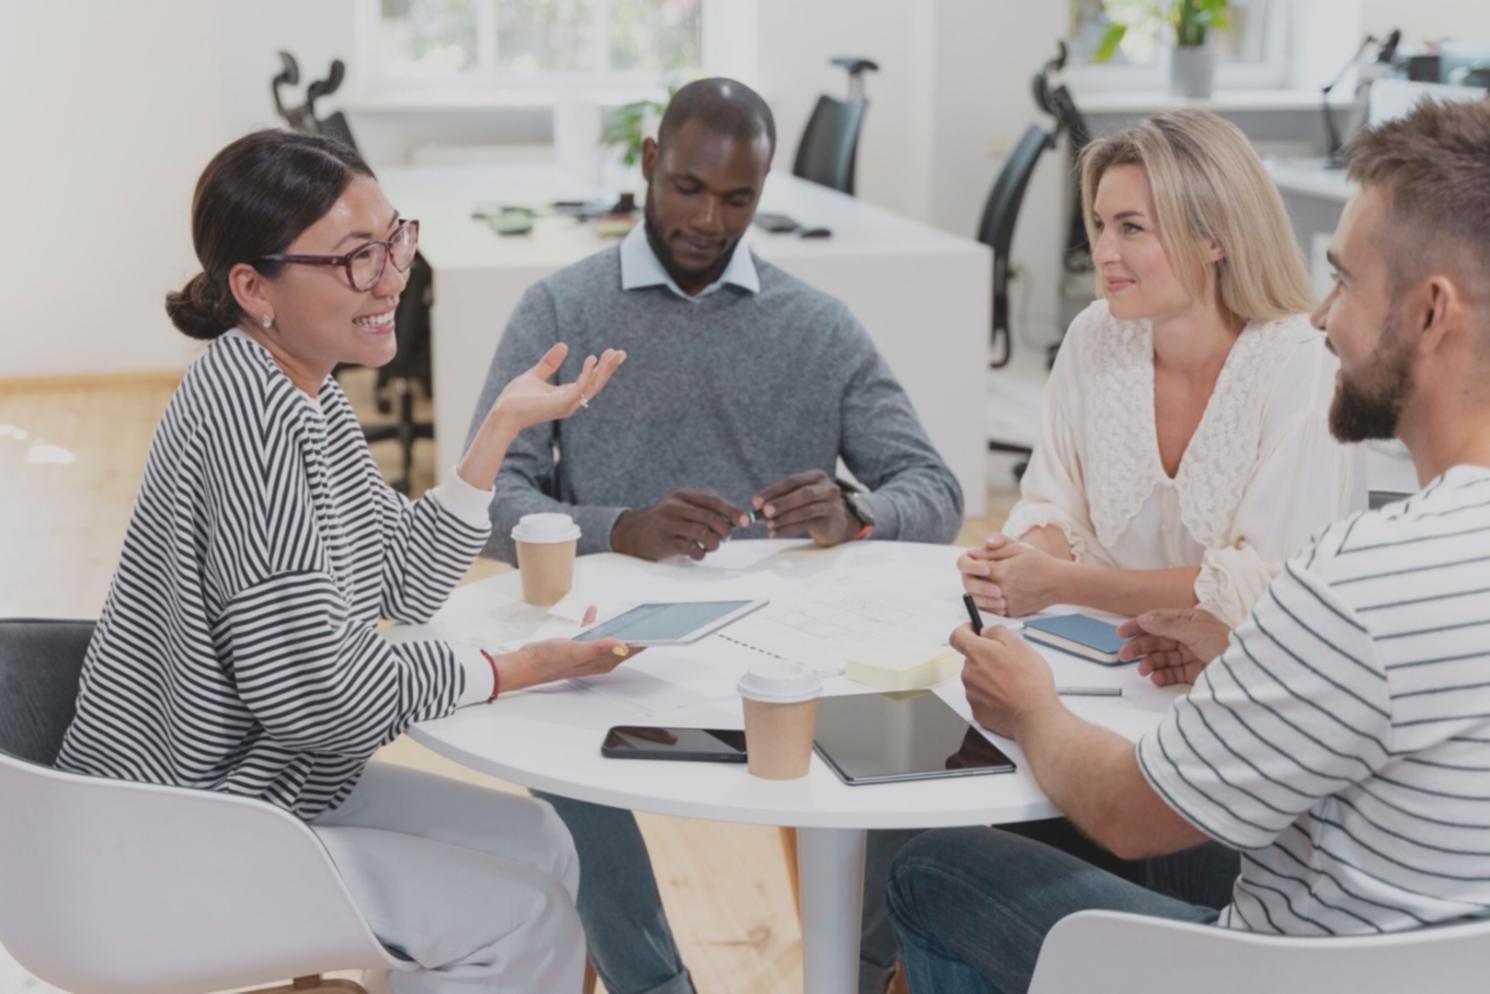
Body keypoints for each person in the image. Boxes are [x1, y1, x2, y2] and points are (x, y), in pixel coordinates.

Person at [890, 97, 1490, 994]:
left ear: (1432, 311)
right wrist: (1245, 645)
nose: (1324, 316)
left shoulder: (1354, 584)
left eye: (1347, 282)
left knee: (931, 868)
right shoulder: (1395, 574)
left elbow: (1133, 815)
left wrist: (1032, 705)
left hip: (1272, 970)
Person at [55, 129, 630, 994]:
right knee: (525, 922)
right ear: (254, 287)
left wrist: (501, 427)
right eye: (357, 258)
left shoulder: (301, 390)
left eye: (395, 239)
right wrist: (511, 670)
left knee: (544, 842)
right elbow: (324, 698)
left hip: (259, 787)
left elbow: (400, 576)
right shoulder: (252, 423)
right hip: (180, 826)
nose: (393, 277)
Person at [466, 78, 962, 994]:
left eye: (737, 199)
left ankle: (859, 973)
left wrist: (860, 514)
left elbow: (935, 490)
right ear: (651, 164)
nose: (708, 218)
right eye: (689, 188)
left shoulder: (816, 325)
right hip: (619, 638)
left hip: (799, 647)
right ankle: (658, 985)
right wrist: (618, 527)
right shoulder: (563, 310)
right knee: (559, 765)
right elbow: (491, 498)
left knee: (920, 740)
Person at [960, 109, 1364, 629]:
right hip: (1112, 661)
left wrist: (1061, 583)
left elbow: (1269, 583)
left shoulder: (1305, 364)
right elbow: (1058, 506)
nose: (1103, 253)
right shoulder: (1094, 336)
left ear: (1214, 239)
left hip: (1254, 681)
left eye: (1132, 228)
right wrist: (1017, 558)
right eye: (1102, 225)